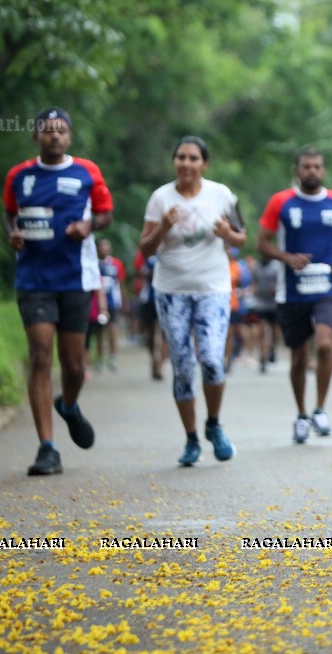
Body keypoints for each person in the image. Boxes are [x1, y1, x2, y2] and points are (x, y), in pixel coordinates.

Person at [2, 107, 113, 476]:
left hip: (76, 279)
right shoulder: (19, 175)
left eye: (61, 131)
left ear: (69, 137)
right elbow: (8, 213)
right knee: (39, 356)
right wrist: (12, 233)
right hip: (34, 280)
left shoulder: (87, 171)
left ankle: (69, 406)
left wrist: (88, 225)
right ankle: (47, 448)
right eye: (47, 131)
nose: (54, 136)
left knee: (75, 365)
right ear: (36, 136)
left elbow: (105, 214)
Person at [139, 136, 246, 466]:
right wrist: (163, 229)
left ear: (204, 164)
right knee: (183, 366)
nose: (186, 163)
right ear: (174, 162)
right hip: (172, 292)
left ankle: (213, 424)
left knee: (213, 359)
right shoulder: (161, 198)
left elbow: (242, 235)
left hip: (213, 288)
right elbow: (144, 249)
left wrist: (229, 236)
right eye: (181, 157)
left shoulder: (222, 195)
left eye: (193, 158)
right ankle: (191, 440)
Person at [257, 147, 332, 444]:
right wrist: (287, 258)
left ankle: (320, 410)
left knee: (325, 345)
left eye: (317, 166)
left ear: (323, 170)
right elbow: (262, 243)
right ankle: (301, 415)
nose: (312, 171)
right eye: (306, 166)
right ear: (296, 171)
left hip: (328, 286)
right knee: (299, 357)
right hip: (293, 291)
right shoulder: (281, 202)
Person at [133, 249, 168, 380]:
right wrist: (148, 273)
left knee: (167, 334)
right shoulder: (145, 253)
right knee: (150, 334)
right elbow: (137, 271)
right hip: (149, 299)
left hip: (167, 298)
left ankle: (160, 365)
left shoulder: (170, 249)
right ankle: (154, 359)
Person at [96, 238, 126, 371]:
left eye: (106, 246)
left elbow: (122, 283)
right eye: (102, 246)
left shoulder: (116, 264)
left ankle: (113, 357)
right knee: (99, 330)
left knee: (112, 328)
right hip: (97, 303)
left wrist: (125, 302)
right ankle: (100, 357)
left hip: (113, 301)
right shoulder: (94, 264)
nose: (104, 248)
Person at [247, 255, 280, 373]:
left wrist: (276, 289)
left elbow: (281, 283)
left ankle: (272, 349)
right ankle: (262, 358)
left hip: (274, 304)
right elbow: (253, 283)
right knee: (261, 331)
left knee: (275, 331)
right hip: (261, 303)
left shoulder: (276, 266)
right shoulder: (256, 267)